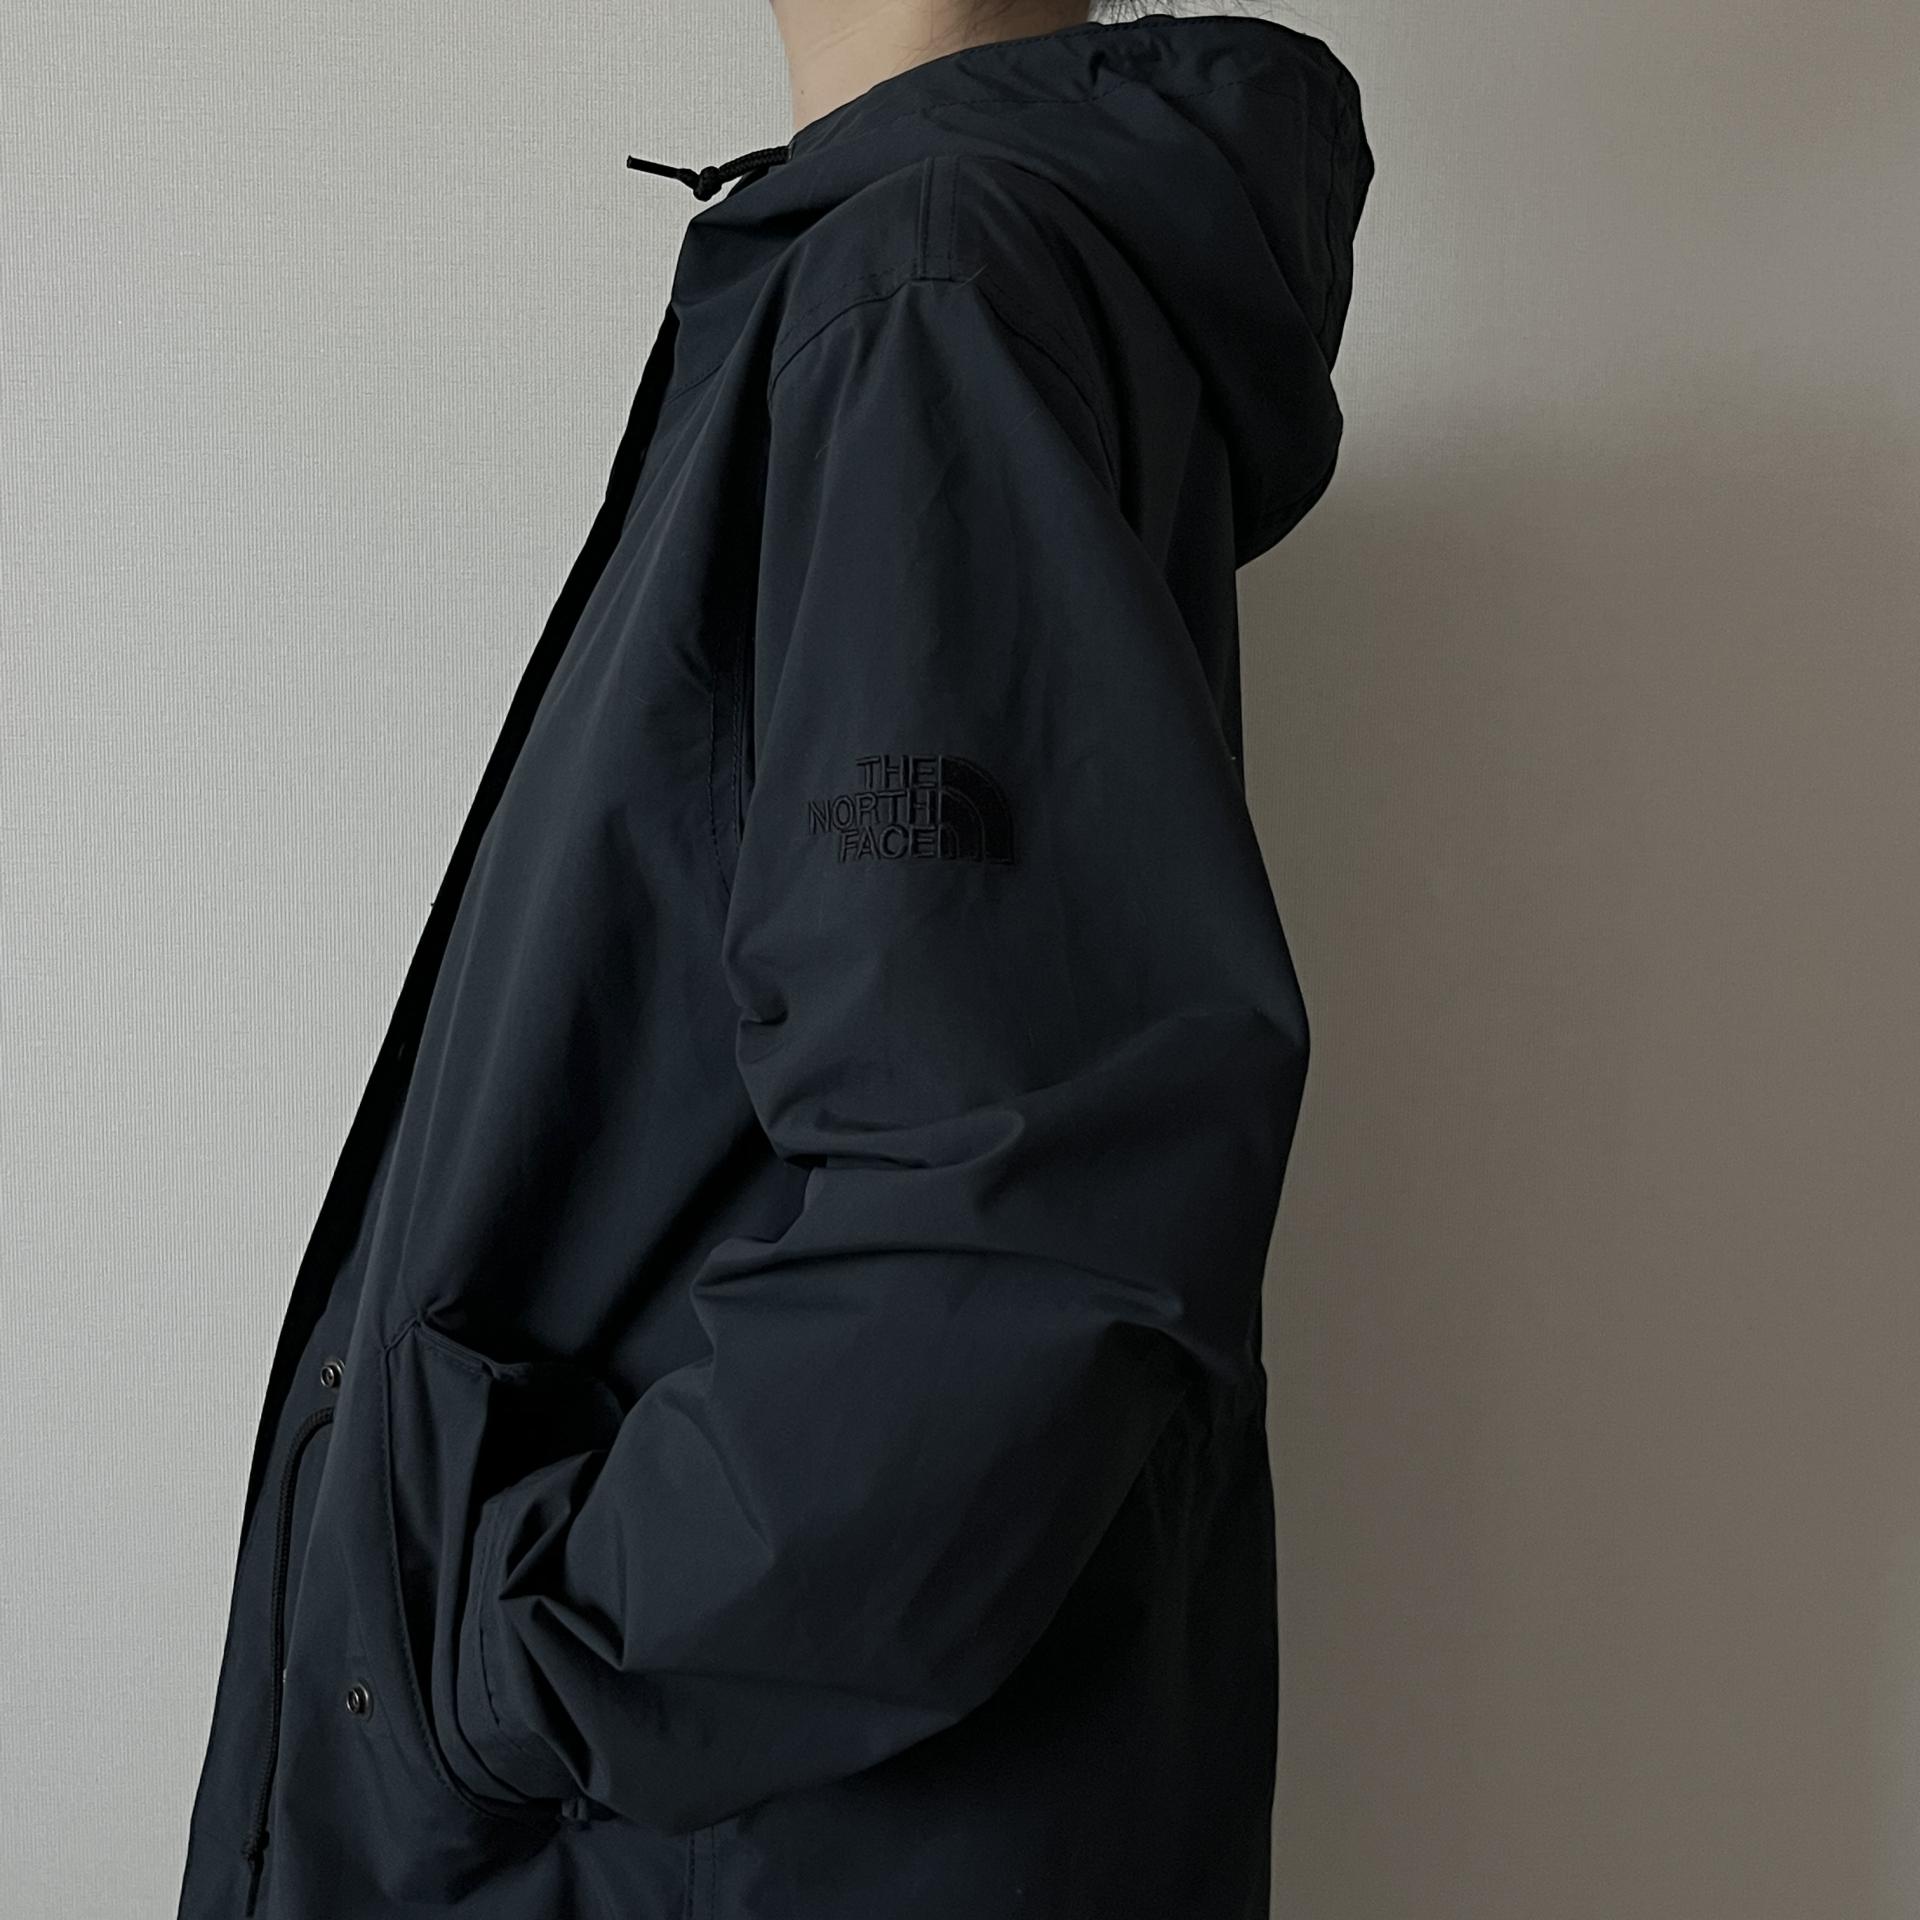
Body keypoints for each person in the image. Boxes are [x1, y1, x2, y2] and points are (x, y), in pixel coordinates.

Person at [174, 4, 1374, 1916]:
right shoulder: (920, 275)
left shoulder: (928, 285)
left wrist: (514, 1666)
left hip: (682, 1843)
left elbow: (1015, 1211)